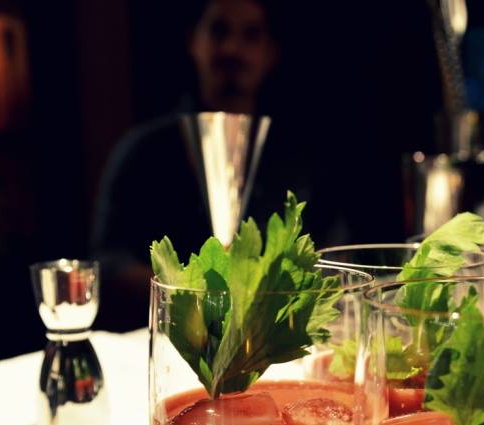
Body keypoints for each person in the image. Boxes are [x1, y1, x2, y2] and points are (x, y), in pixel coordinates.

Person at [92, 0, 330, 329]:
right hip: (170, 337)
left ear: (270, 53)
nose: (232, 48)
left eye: (250, 35)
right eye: (219, 31)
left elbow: (329, 252)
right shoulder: (143, 151)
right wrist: (191, 294)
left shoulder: (300, 154)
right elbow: (108, 262)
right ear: (194, 41)